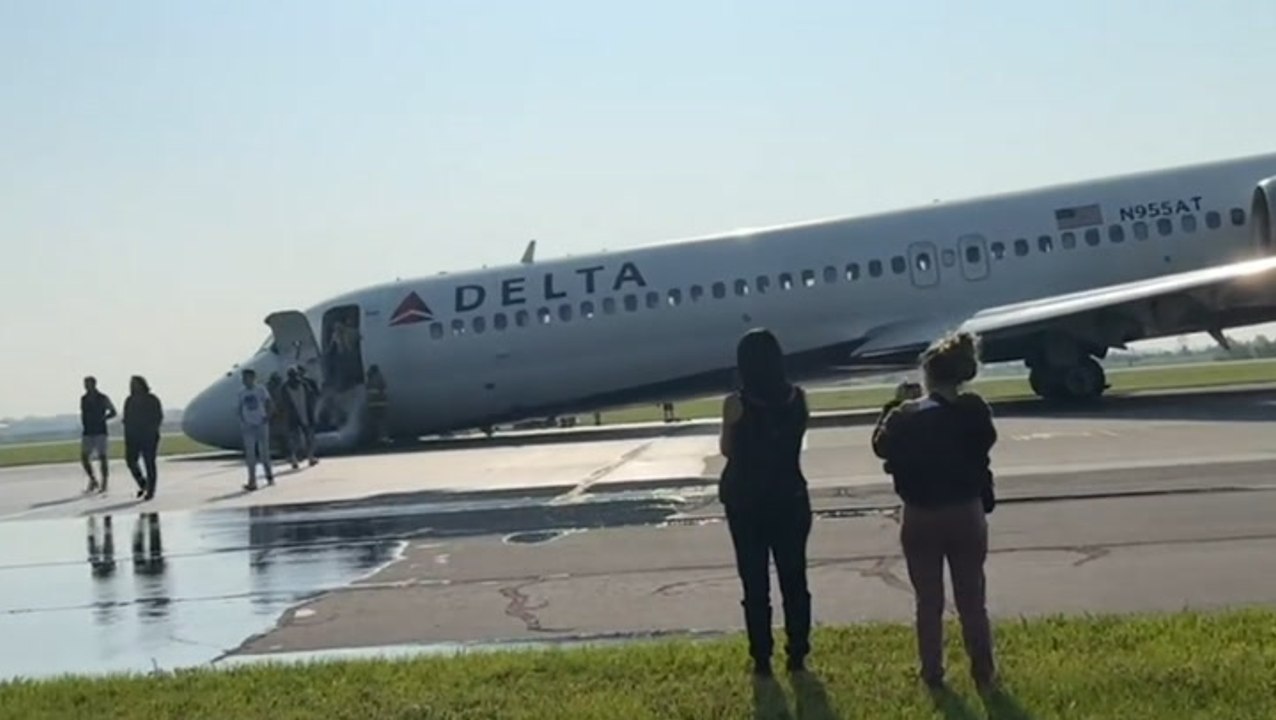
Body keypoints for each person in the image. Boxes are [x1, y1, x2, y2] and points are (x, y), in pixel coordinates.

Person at [871, 331, 999, 694]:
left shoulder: (906, 418)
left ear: (927, 377)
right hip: (966, 511)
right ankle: (984, 672)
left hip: (920, 515)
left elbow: (880, 447)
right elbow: (985, 441)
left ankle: (932, 672)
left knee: (928, 602)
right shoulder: (974, 411)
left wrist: (893, 407)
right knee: (972, 598)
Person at [717, 328, 813, 677]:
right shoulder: (798, 397)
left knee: (754, 582)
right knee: (794, 579)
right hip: (789, 495)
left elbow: (727, 449)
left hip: (746, 500)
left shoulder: (736, 404)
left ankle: (762, 658)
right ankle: (798, 653)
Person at [122, 375, 164, 500]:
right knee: (130, 461)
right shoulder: (129, 400)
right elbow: (126, 418)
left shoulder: (152, 399)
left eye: (135, 383)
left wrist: (152, 429)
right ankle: (142, 483)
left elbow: (158, 416)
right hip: (133, 435)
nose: (133, 386)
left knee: (149, 463)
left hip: (148, 435)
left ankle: (151, 490)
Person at [236, 368, 275, 491]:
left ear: (253, 378)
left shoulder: (260, 390)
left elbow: (269, 403)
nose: (244, 381)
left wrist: (267, 417)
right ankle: (252, 480)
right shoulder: (241, 393)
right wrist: (243, 421)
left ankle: (269, 476)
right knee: (250, 455)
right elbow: (239, 408)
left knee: (264, 453)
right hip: (249, 426)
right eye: (243, 378)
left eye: (247, 378)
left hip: (261, 424)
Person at [79, 376, 118, 494]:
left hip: (100, 431)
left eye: (88, 384)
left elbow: (113, 411)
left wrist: (103, 418)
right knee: (84, 457)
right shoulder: (84, 399)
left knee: (102, 457)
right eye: (85, 384)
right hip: (88, 431)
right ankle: (93, 479)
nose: (86, 386)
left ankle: (104, 482)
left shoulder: (102, 398)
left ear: (94, 384)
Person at [281, 366, 320, 468]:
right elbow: (283, 403)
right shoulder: (285, 388)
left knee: (308, 437)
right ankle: (296, 458)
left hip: (305, 413)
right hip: (294, 415)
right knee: (296, 439)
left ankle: (309, 457)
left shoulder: (304, 385)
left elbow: (312, 397)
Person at [365, 365, 389, 444]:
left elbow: (369, 390)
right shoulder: (381, 379)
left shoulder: (372, 380)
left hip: (374, 404)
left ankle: (379, 437)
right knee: (381, 422)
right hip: (381, 404)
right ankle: (382, 437)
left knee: (377, 422)